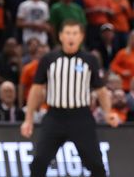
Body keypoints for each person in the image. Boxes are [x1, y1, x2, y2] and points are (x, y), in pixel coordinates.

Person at [21, 20, 119, 176]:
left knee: (96, 165)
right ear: (60, 36)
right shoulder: (49, 59)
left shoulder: (89, 60)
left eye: (74, 33)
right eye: (67, 33)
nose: (71, 37)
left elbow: (101, 90)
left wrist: (108, 113)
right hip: (55, 117)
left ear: (81, 37)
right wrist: (28, 119)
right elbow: (36, 89)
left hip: (81, 117)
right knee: (39, 162)